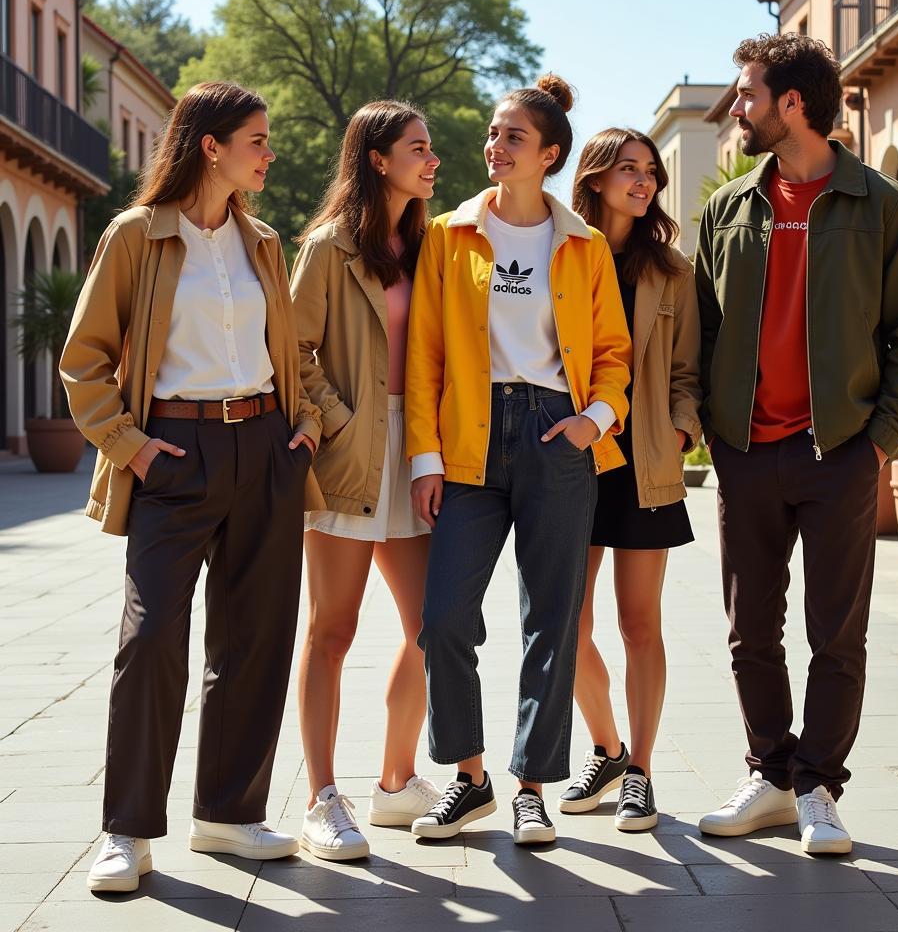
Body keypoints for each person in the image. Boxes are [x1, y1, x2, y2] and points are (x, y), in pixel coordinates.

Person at [60, 82, 323, 894]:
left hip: (268, 448)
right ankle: (127, 830)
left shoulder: (265, 242)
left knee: (256, 638)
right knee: (149, 641)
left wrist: (305, 422)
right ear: (211, 145)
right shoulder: (137, 236)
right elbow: (85, 357)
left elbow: (292, 346)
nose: (268, 151)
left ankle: (228, 815)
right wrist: (132, 449)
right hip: (175, 451)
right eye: (257, 138)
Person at [693, 34, 898, 854]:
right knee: (748, 630)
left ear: (790, 104)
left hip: (838, 450)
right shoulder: (730, 208)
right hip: (746, 451)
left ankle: (819, 788)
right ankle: (768, 774)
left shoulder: (883, 205)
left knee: (837, 633)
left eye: (747, 95)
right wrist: (711, 431)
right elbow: (702, 329)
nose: (737, 109)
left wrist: (881, 440)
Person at [405, 75, 632, 846]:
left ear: (550, 155)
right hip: (468, 438)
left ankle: (532, 786)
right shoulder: (448, 236)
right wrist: (425, 459)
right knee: (444, 621)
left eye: (513, 138)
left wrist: (590, 423)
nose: (493, 147)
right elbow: (425, 354)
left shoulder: (585, 245)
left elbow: (612, 355)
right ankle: (469, 780)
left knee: (553, 622)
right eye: (494, 134)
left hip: (554, 435)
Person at [289, 101, 442, 861]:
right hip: (350, 451)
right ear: (378, 159)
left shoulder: (428, 246)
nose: (433, 159)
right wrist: (340, 419)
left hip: (414, 450)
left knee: (431, 626)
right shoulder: (326, 248)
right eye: (419, 148)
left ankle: (395, 780)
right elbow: (294, 348)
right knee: (332, 630)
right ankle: (321, 798)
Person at [560, 128, 701, 831]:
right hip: (574, 461)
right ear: (595, 177)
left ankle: (640, 770)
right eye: (628, 169)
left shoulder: (673, 272)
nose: (643, 182)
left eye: (651, 172)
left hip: (644, 464)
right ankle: (607, 746)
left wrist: (678, 430)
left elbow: (688, 374)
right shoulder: (559, 253)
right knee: (566, 623)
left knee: (639, 622)